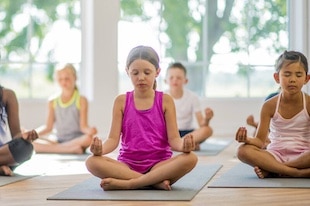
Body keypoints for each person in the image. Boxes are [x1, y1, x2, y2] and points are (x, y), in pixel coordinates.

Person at [85, 45, 198, 191]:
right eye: (135, 73)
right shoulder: (121, 101)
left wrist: (184, 146)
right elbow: (112, 140)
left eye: (147, 72)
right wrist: (100, 150)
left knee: (191, 158)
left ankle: (130, 183)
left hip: (159, 165)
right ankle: (153, 182)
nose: (141, 78)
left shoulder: (165, 101)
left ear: (157, 72)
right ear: (127, 72)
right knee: (91, 162)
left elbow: (174, 140)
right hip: (127, 165)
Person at [236, 50, 310, 178]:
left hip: (304, 155)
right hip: (275, 155)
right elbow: (260, 141)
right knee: (242, 151)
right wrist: (246, 139)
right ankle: (296, 172)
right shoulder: (269, 105)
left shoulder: (308, 103)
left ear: (306, 79)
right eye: (287, 74)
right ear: (277, 78)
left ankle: (274, 169)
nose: (292, 79)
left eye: (298, 75)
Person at [33, 63, 97, 154]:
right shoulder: (52, 101)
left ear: (75, 78)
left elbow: (83, 126)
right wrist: (32, 134)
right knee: (31, 143)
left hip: (76, 139)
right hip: (58, 139)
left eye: (67, 78)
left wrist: (90, 130)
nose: (64, 82)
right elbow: (48, 127)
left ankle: (57, 149)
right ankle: (67, 149)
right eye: (60, 79)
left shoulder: (82, 100)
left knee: (88, 138)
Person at [165, 62, 213, 151]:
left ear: (185, 81)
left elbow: (202, 124)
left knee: (208, 130)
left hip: (188, 133)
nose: (175, 80)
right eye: (171, 77)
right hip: (169, 134)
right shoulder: (162, 97)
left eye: (178, 78)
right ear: (165, 80)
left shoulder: (192, 97)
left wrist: (207, 118)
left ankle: (179, 145)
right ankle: (185, 145)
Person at [0, 85, 38, 176]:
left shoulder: (8, 95)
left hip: (3, 152)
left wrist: (25, 137)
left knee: (25, 148)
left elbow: (16, 134)